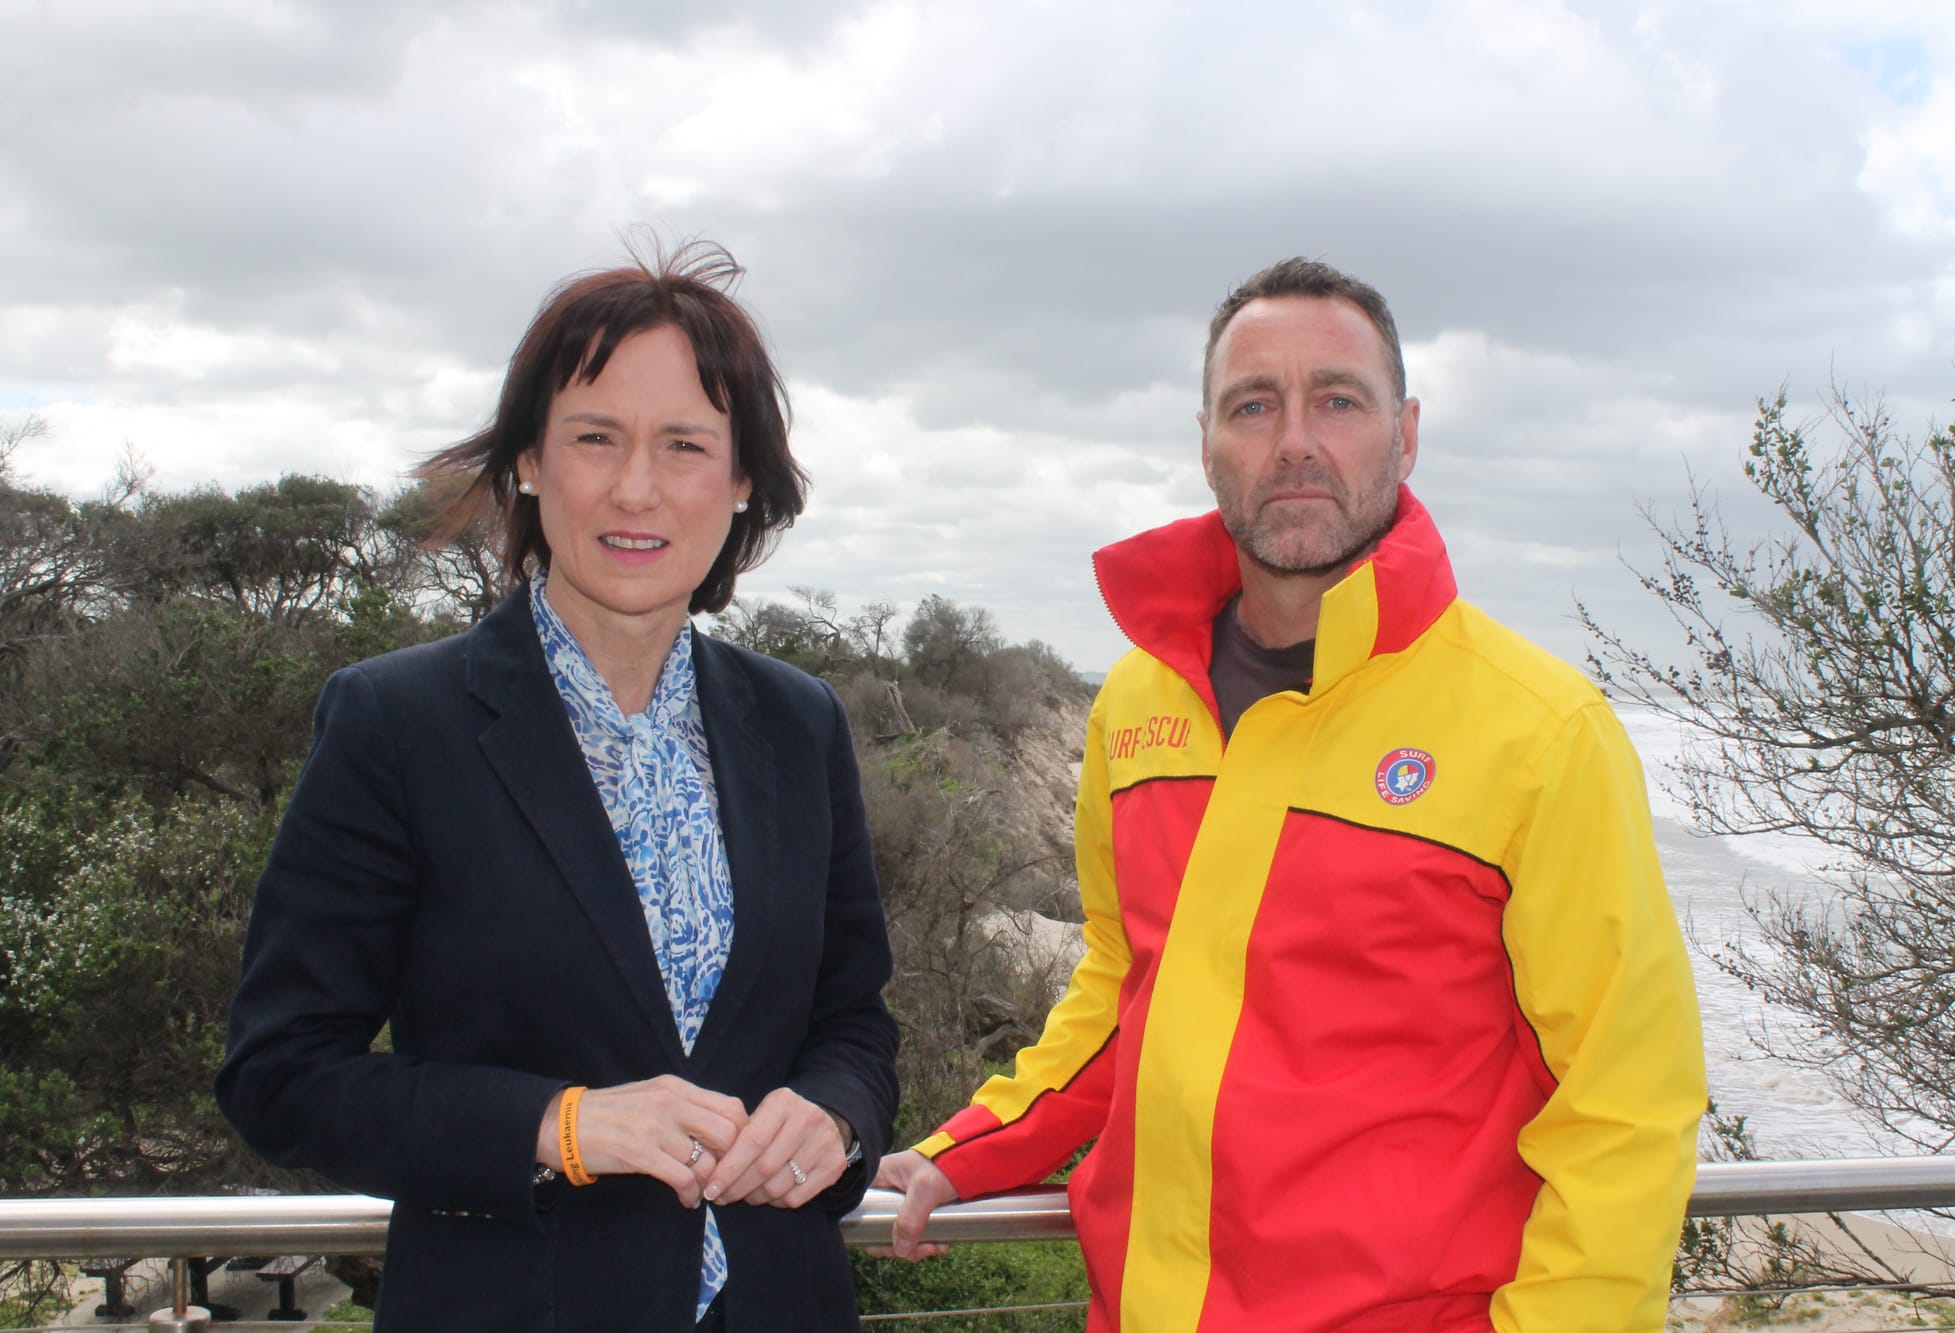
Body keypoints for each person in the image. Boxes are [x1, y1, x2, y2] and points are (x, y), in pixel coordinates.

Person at [875, 258, 1706, 1332]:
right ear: (1207, 440)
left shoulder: (1539, 731)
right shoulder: (1137, 699)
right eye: (1254, 405)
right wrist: (972, 1148)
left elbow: (1624, 1103)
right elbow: (1123, 986)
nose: (1295, 440)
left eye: (1338, 400)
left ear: (1403, 435)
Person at [216, 241, 898, 1331]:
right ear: (531, 462)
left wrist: (835, 1117)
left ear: (739, 483)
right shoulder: (398, 723)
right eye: (595, 438)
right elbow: (281, 1075)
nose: (636, 487)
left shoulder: (796, 720)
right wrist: (559, 1125)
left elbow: (852, 1022)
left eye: (684, 445)